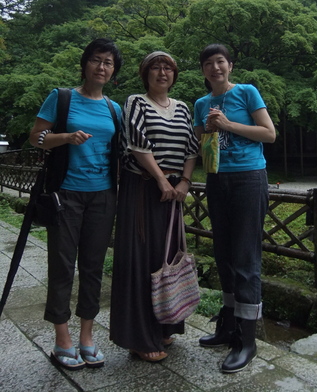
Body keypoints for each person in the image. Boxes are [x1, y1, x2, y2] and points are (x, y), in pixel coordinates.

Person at [29, 38, 122, 370]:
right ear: (85, 64)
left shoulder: (115, 109)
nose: (102, 67)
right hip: (66, 193)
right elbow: (36, 137)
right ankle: (62, 338)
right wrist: (65, 138)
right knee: (63, 265)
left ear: (114, 71)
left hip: (103, 195)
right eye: (97, 60)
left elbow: (123, 151)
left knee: (94, 268)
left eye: (108, 63)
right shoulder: (62, 98)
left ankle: (87, 336)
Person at [110, 51, 198, 362]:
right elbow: (136, 143)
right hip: (143, 188)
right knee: (140, 258)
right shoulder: (135, 102)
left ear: (175, 74)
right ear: (145, 74)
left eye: (168, 68)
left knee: (167, 259)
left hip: (173, 192)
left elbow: (191, 146)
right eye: (156, 68)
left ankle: (164, 326)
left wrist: (184, 182)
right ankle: (139, 338)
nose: (162, 73)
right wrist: (161, 179)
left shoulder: (183, 108)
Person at [194, 43, 276, 373]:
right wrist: (208, 130)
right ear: (202, 71)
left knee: (245, 256)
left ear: (230, 65)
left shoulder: (246, 92)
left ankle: (247, 339)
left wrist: (228, 125)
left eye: (220, 62)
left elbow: (269, 134)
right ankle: (227, 326)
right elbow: (201, 140)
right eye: (209, 64)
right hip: (217, 178)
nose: (215, 67)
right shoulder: (201, 103)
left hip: (248, 178)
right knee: (223, 254)